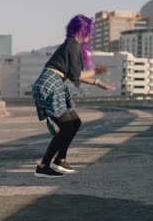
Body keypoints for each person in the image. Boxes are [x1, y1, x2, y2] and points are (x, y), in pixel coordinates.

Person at [32, 14, 116, 178]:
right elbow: (76, 75)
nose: (90, 35)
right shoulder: (72, 45)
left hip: (56, 84)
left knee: (74, 122)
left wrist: (98, 82)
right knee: (67, 127)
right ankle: (43, 166)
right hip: (50, 85)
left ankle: (60, 160)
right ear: (82, 29)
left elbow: (75, 75)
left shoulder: (73, 45)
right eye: (88, 30)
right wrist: (97, 72)